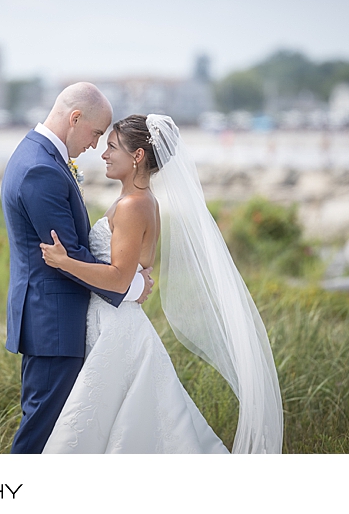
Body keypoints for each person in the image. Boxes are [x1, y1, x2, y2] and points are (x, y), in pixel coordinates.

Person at [39, 114, 284, 453]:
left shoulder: (132, 206)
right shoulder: (142, 201)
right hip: (114, 323)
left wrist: (65, 262)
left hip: (116, 329)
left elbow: (119, 279)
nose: (104, 154)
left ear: (137, 156)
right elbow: (134, 274)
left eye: (111, 147)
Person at [1, 83, 153, 454]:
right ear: (74, 119)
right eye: (97, 133)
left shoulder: (37, 155)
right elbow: (66, 256)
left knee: (58, 435)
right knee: (40, 434)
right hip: (53, 324)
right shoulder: (41, 169)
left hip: (52, 320)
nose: (96, 146)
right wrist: (131, 285)